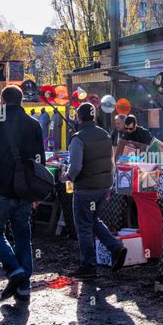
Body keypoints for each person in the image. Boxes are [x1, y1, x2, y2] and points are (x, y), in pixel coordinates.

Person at [0, 85, 45, 302]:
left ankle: (14, 270)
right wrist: (36, 194)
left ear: (3, 102)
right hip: (24, 191)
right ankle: (24, 288)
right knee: (23, 237)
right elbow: (39, 162)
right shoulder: (33, 124)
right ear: (21, 100)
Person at [65, 102, 127, 279]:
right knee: (93, 221)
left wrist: (67, 177)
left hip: (85, 188)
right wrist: (109, 186)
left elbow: (75, 166)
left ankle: (88, 266)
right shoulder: (105, 135)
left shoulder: (78, 138)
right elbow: (112, 163)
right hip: (103, 187)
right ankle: (115, 247)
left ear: (79, 117)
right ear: (93, 116)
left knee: (83, 226)